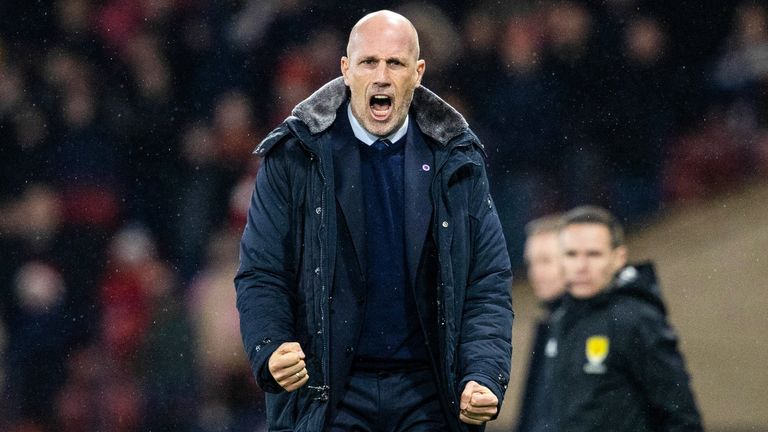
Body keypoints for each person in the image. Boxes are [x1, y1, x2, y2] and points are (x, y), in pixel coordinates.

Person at [234, 10, 513, 432]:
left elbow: (486, 281)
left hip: (429, 395)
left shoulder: (457, 159)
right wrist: (269, 345)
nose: (381, 76)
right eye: (369, 62)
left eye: (396, 63)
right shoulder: (293, 157)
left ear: (418, 73)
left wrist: (483, 373)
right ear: (346, 70)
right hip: (328, 395)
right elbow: (262, 271)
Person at [546, 205, 703, 431]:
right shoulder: (562, 318)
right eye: (571, 254)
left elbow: (682, 417)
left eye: (593, 254)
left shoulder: (636, 320)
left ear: (618, 258)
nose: (581, 266)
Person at [515, 214, 566, 432]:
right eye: (531, 263)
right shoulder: (548, 323)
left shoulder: (595, 327)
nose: (535, 273)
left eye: (545, 260)